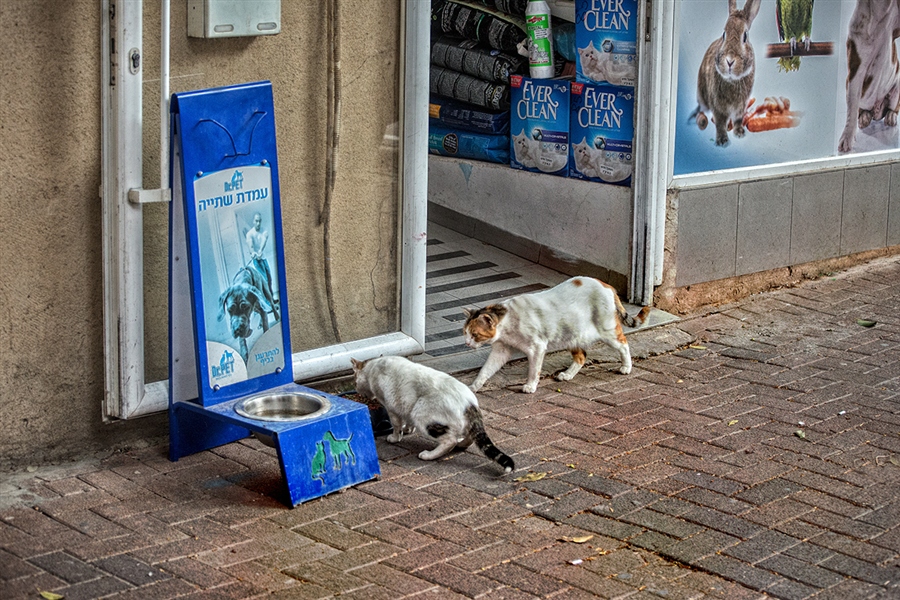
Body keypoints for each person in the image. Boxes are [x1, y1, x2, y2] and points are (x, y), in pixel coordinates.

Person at [246, 212, 275, 303]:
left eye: (260, 221)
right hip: (256, 260)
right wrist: (253, 252)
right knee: (264, 281)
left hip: (263, 258)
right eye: (256, 221)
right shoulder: (249, 234)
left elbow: (264, 240)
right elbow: (250, 246)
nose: (258, 223)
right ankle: (267, 303)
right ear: (253, 221)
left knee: (269, 279)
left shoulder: (264, 230)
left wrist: (260, 251)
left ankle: (271, 300)